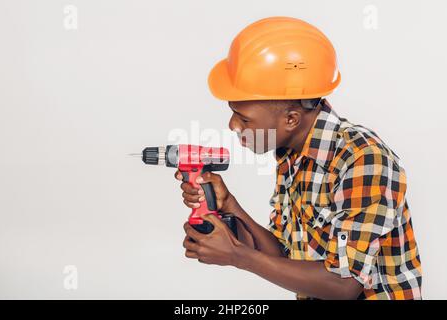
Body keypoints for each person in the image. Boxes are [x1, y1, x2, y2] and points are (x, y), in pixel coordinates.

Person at [175, 17, 422, 300]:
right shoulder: (291, 155)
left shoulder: (364, 161)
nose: (233, 125)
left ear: (291, 119)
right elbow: (285, 256)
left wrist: (238, 256)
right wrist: (230, 206)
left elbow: (343, 285)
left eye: (244, 118)